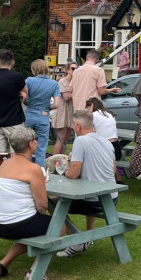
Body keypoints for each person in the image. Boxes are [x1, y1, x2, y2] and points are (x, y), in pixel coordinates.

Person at [0, 126, 54, 280]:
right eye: (35, 139)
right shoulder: (33, 169)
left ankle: (2, 265)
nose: (37, 142)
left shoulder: (4, 164)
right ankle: (34, 271)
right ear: (30, 144)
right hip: (14, 225)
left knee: (29, 223)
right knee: (58, 226)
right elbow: (42, 206)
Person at [56, 109, 119, 259]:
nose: (72, 129)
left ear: (78, 125)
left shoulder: (80, 140)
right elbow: (113, 170)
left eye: (72, 126)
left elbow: (74, 173)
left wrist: (66, 170)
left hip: (94, 200)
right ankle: (88, 237)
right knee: (91, 189)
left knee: (53, 202)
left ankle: (78, 240)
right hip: (112, 197)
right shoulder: (106, 141)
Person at [0, 49, 28, 166]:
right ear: (12, 62)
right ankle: (14, 175)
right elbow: (25, 92)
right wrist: (21, 95)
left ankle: (0, 174)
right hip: (14, 119)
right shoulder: (17, 76)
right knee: (17, 151)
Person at [24, 59, 61, 168]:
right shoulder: (54, 84)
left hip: (30, 113)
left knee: (26, 143)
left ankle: (26, 167)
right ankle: (40, 171)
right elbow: (57, 104)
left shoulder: (29, 81)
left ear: (34, 69)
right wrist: (46, 107)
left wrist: (28, 102)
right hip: (43, 114)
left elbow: (24, 97)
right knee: (41, 146)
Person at [85, 97, 122, 165]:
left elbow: (87, 132)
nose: (88, 111)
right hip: (117, 148)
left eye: (88, 108)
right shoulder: (110, 114)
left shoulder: (93, 115)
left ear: (92, 106)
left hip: (104, 148)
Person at [50, 64, 76, 156]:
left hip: (70, 111)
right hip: (62, 111)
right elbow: (66, 97)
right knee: (61, 138)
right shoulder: (62, 81)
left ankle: (61, 160)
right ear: (67, 70)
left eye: (76, 68)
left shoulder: (75, 81)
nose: (75, 70)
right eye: (73, 68)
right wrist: (78, 93)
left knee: (66, 139)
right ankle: (54, 160)